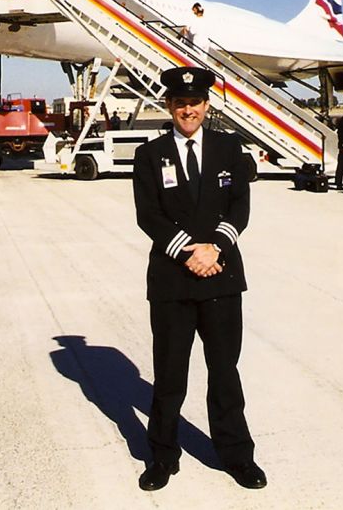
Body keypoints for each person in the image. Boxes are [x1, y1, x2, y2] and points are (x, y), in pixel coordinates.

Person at [131, 66, 265, 492]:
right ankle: (162, 456)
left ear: (206, 106)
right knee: (170, 374)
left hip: (221, 276)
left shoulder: (230, 149)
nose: (187, 110)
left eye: (195, 103)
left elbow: (239, 207)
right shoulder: (150, 155)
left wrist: (215, 250)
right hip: (173, 278)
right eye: (180, 103)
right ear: (169, 106)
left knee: (224, 371)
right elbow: (148, 214)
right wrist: (189, 251)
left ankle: (237, 456)